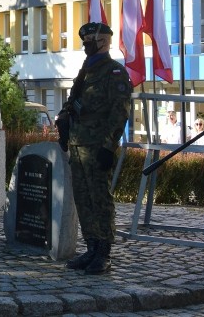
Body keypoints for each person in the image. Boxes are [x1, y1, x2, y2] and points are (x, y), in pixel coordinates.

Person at [56, 22, 132, 275]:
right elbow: (73, 102)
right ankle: (91, 246)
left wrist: (109, 147)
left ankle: (103, 252)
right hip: (78, 145)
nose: (85, 44)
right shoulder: (86, 71)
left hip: (98, 145)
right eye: (84, 40)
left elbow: (119, 112)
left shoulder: (114, 72)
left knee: (100, 198)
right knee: (83, 198)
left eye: (89, 40)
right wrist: (65, 119)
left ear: (102, 41)